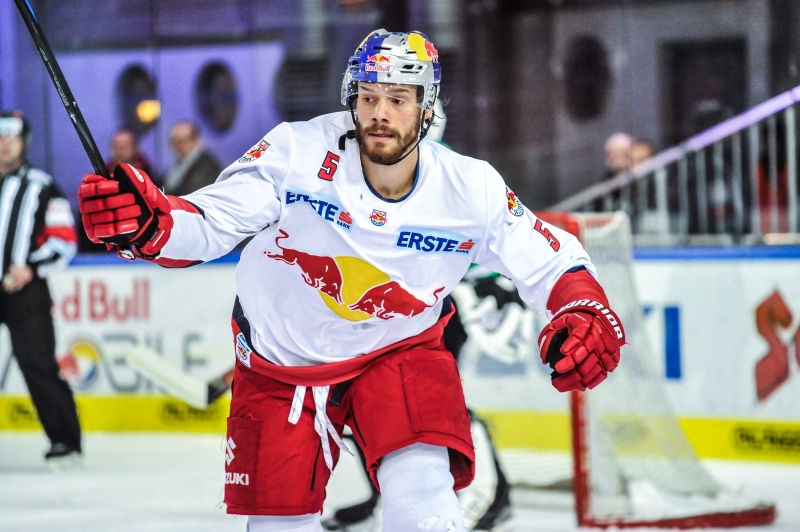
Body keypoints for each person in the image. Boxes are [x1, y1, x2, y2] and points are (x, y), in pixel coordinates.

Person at [78, 29, 625, 531]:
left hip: (399, 351)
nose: (380, 113)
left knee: (426, 506)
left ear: (426, 107)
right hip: (281, 362)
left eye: (398, 98)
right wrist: (152, 224)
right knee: (278, 526)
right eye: (368, 96)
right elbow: (211, 221)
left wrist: (581, 309)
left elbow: (552, 260)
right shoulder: (295, 152)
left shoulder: (470, 187)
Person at [0, 110, 81, 465]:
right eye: (0, 138)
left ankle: (65, 440)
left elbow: (65, 241)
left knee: (38, 364)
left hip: (25, 292)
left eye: (11, 138)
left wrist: (30, 267)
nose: (4, 145)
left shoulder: (41, 185)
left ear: (24, 143)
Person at [163, 121, 222, 196]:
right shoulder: (180, 164)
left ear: (196, 141)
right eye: (175, 141)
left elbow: (192, 195)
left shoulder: (206, 167)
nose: (179, 146)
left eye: (183, 141)